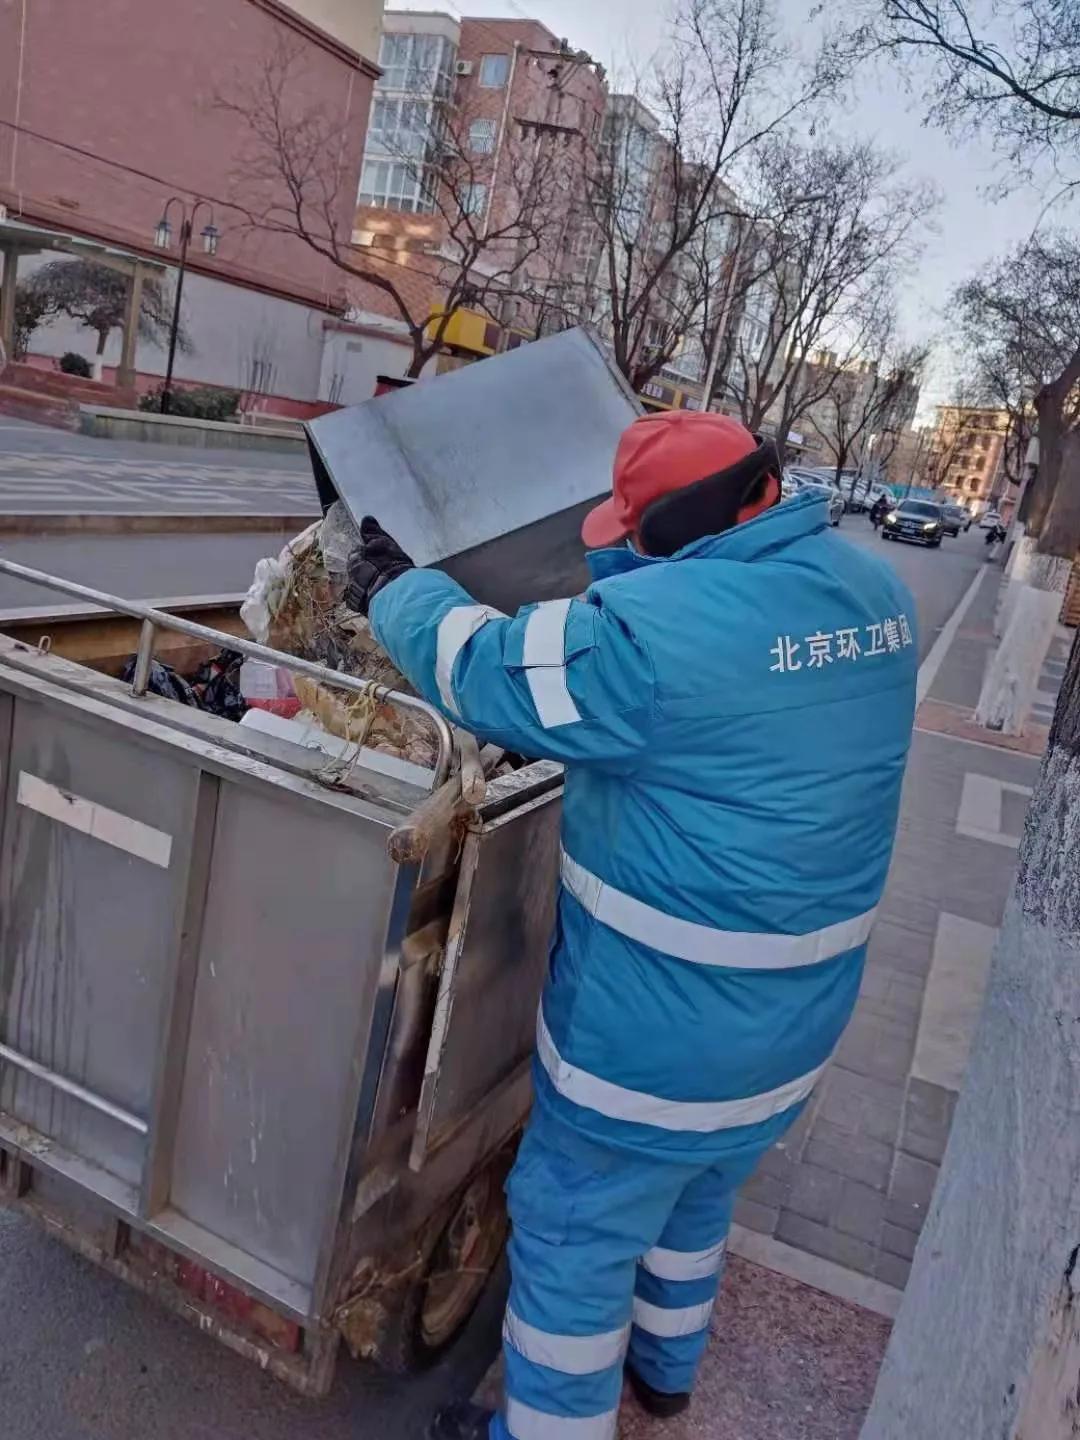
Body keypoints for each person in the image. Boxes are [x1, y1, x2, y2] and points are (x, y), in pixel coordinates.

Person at [345, 411, 918, 1440]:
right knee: (697, 1201)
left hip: (655, 1050)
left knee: (574, 1239)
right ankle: (667, 1374)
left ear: (686, 522)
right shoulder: (874, 594)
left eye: (634, 527)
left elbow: (489, 672)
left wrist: (399, 591)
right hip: (792, 1035)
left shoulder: (654, 638)